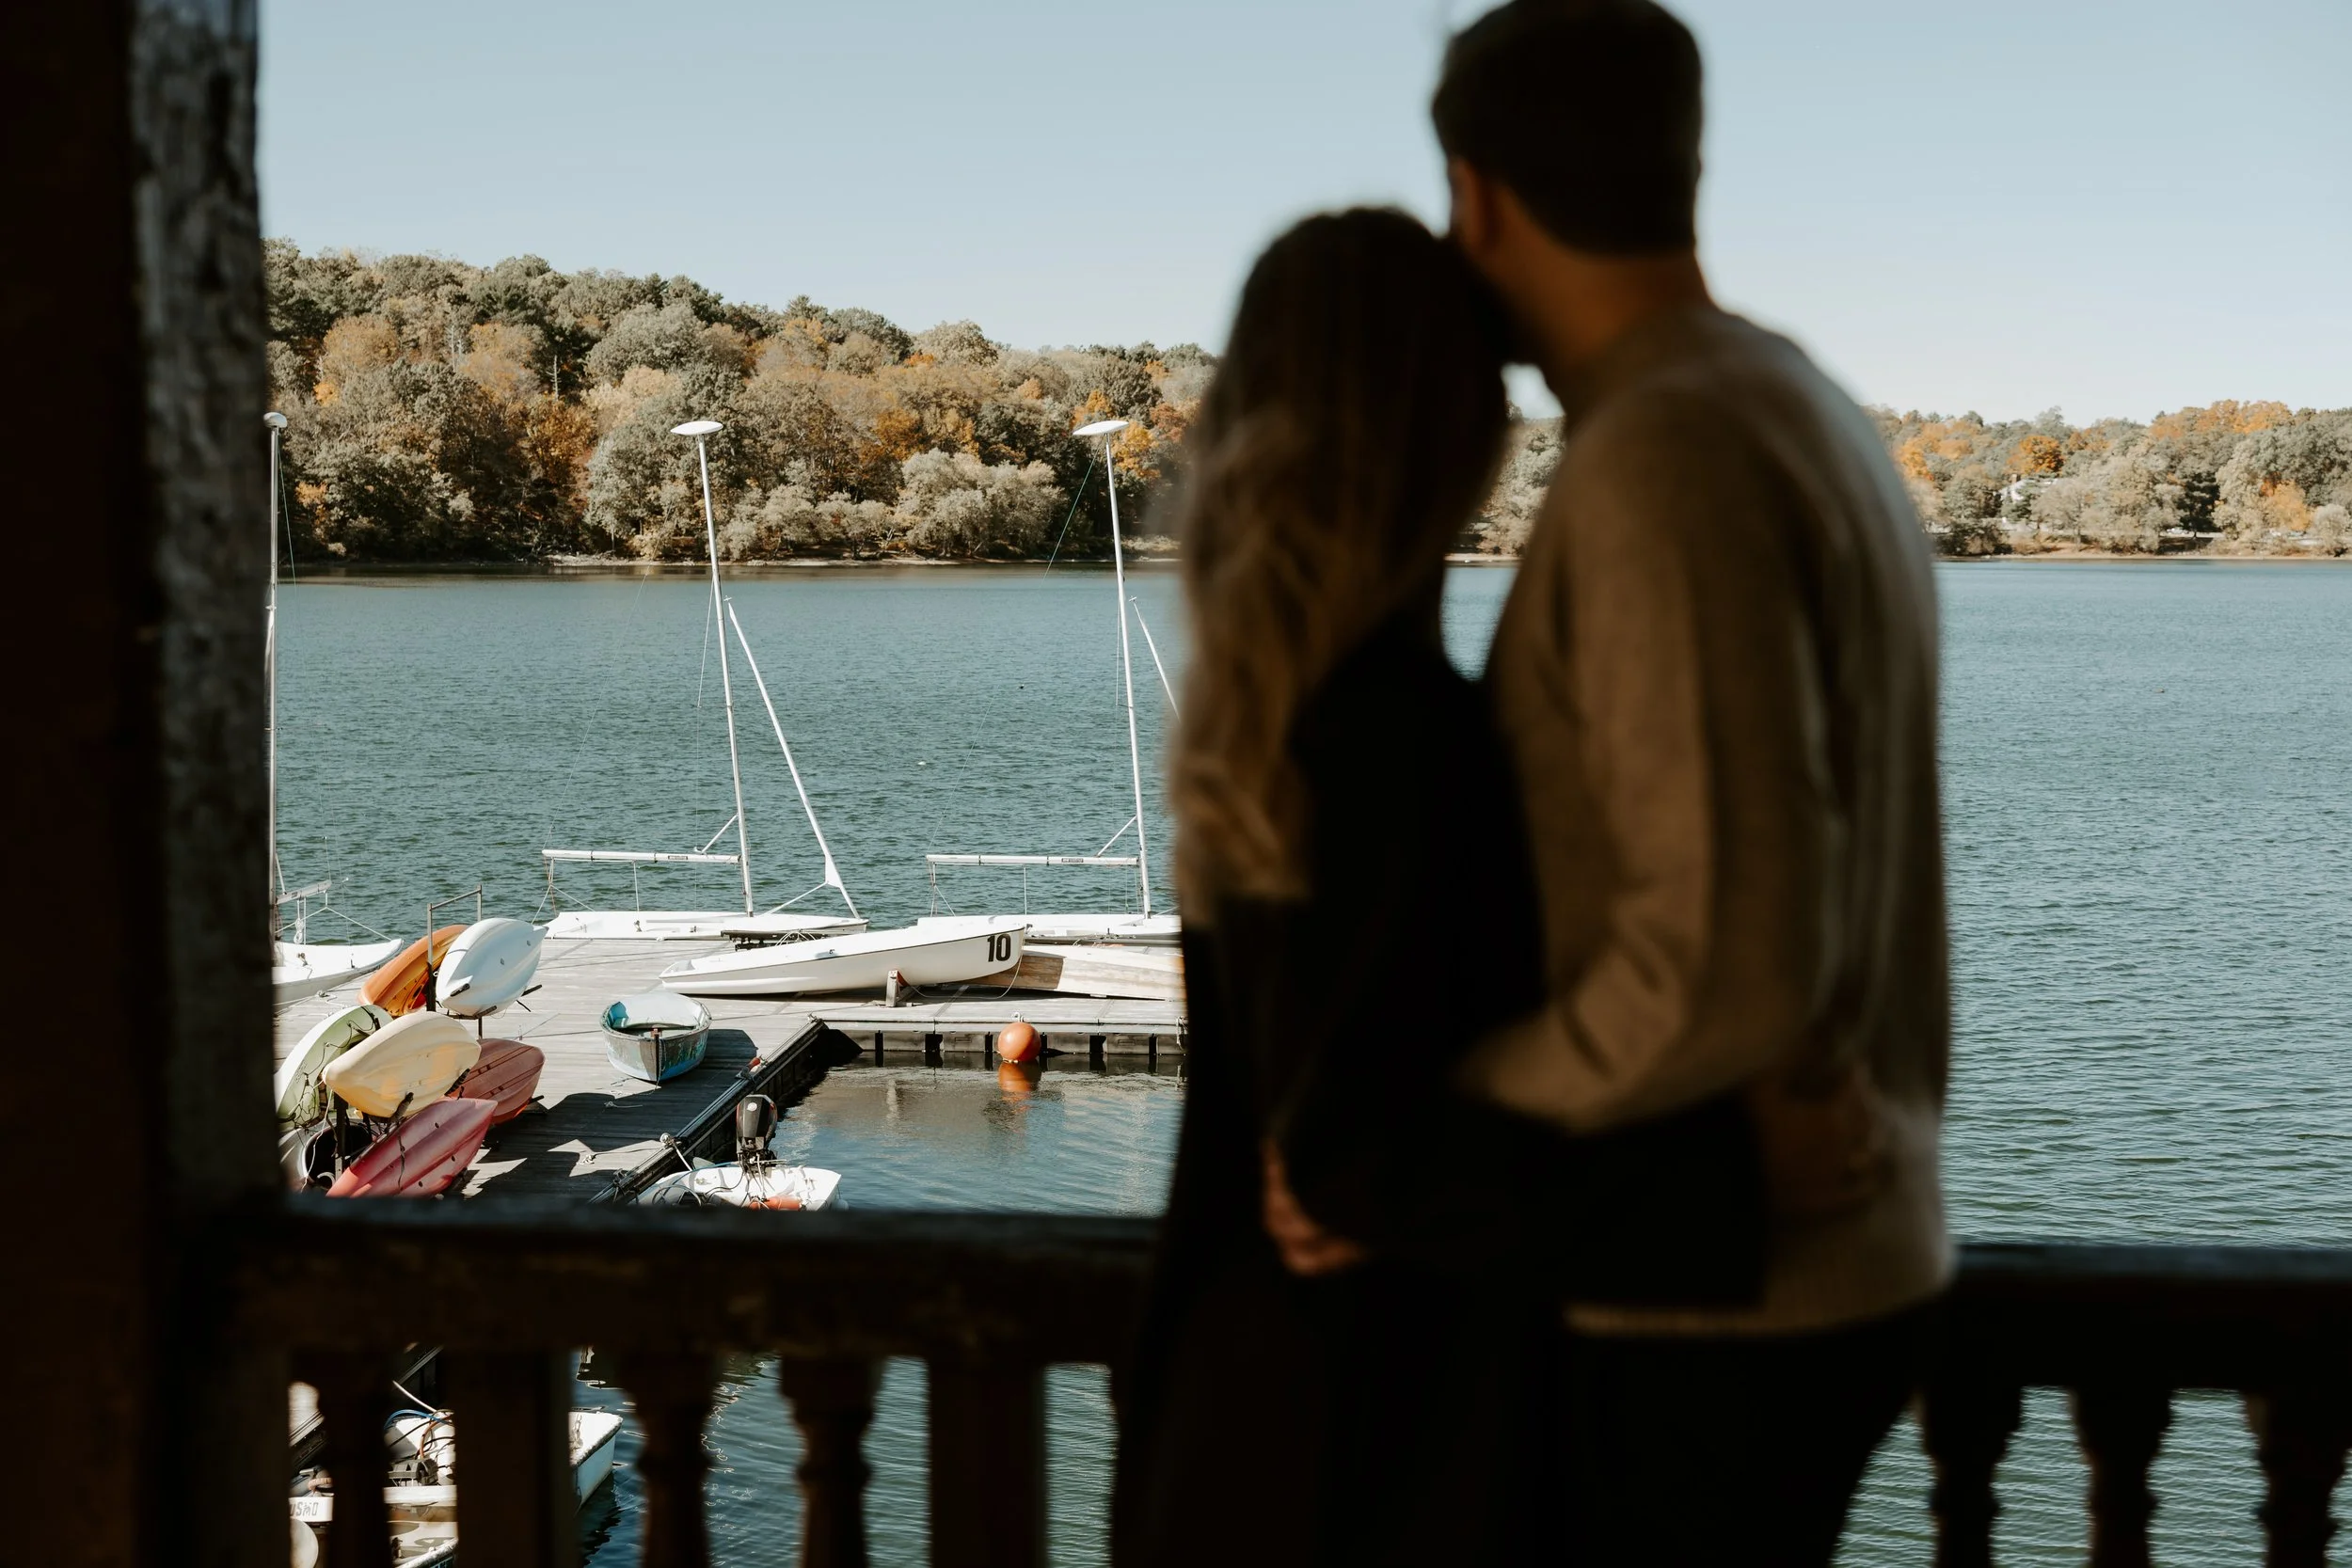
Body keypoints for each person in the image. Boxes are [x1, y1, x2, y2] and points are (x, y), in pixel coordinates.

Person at [1113, 208, 1765, 1568]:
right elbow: (1348, 1166)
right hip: (1376, 1454)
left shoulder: (1262, 723)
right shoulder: (1397, 735)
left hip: (1219, 1422)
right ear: (1457, 438)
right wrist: (1729, 1196)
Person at [1423, 1, 1955, 1562]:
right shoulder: (1802, 408)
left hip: (1716, 1308)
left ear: (1479, 197)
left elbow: (1720, 954)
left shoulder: (1666, 454)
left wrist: (1446, 1121)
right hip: (1814, 1260)